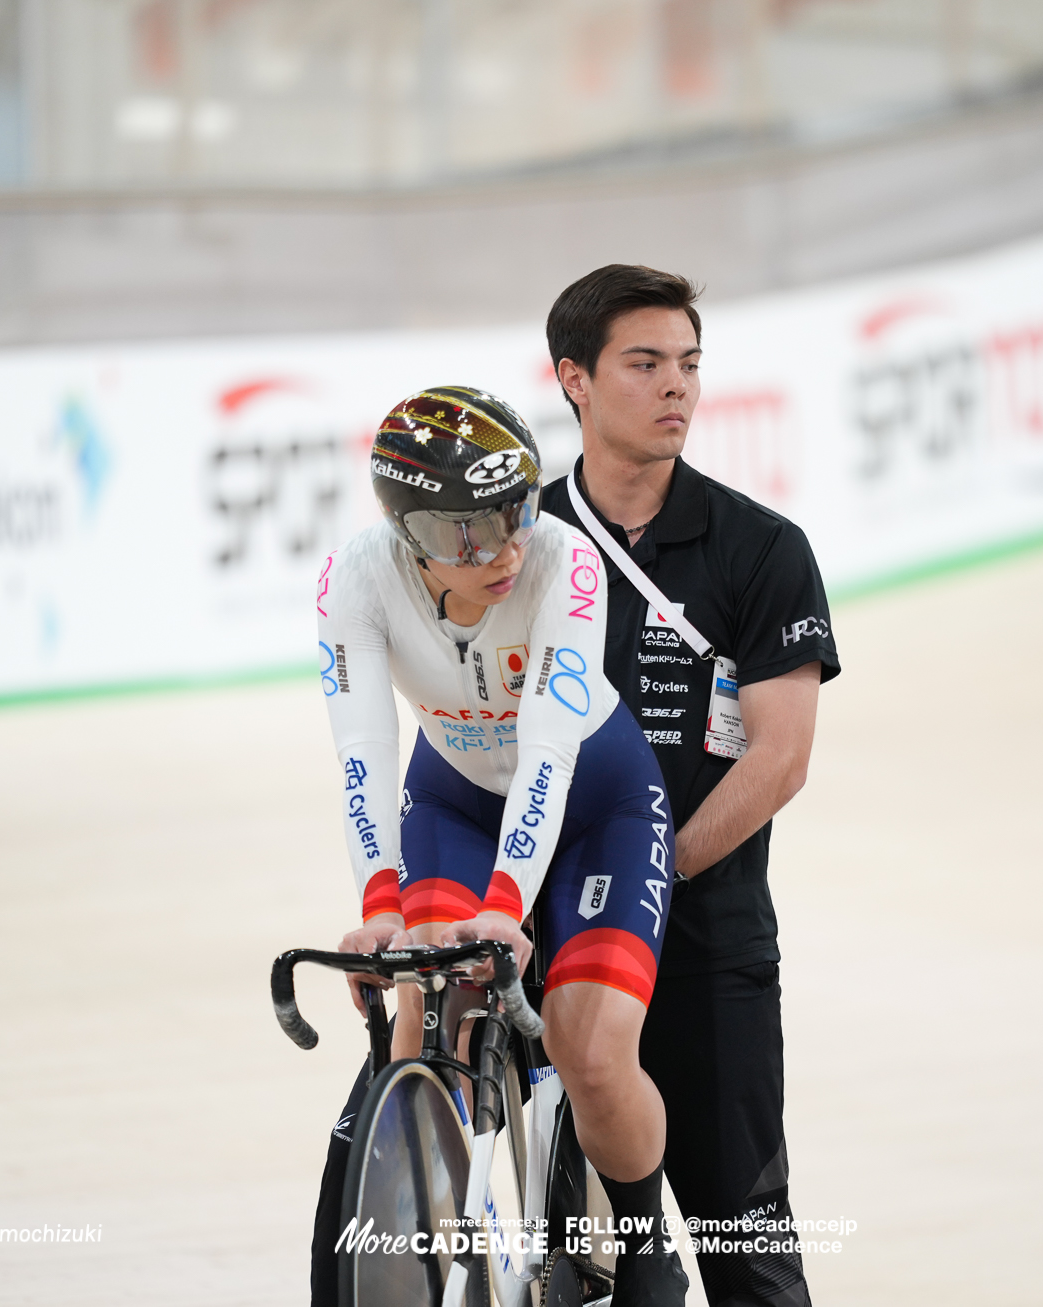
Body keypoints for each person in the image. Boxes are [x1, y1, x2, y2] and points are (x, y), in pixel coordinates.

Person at [311, 384, 689, 1305]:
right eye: (471, 534)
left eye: (517, 513)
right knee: (420, 1019)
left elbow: (550, 750)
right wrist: (380, 910)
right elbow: (365, 751)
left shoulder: (569, 566)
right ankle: (441, 1251)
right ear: (414, 536)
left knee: (594, 1054)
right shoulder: (354, 579)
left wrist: (506, 903)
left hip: (599, 801)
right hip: (455, 803)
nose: (508, 549)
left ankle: (645, 1248)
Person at [540, 264, 840, 1307]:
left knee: (746, 1252)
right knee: (570, 1270)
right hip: (552, 950)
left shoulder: (761, 549)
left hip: (708, 947)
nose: (677, 386)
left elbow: (779, 756)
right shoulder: (522, 549)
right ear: (572, 378)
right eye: (645, 363)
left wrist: (646, 884)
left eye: (689, 364)